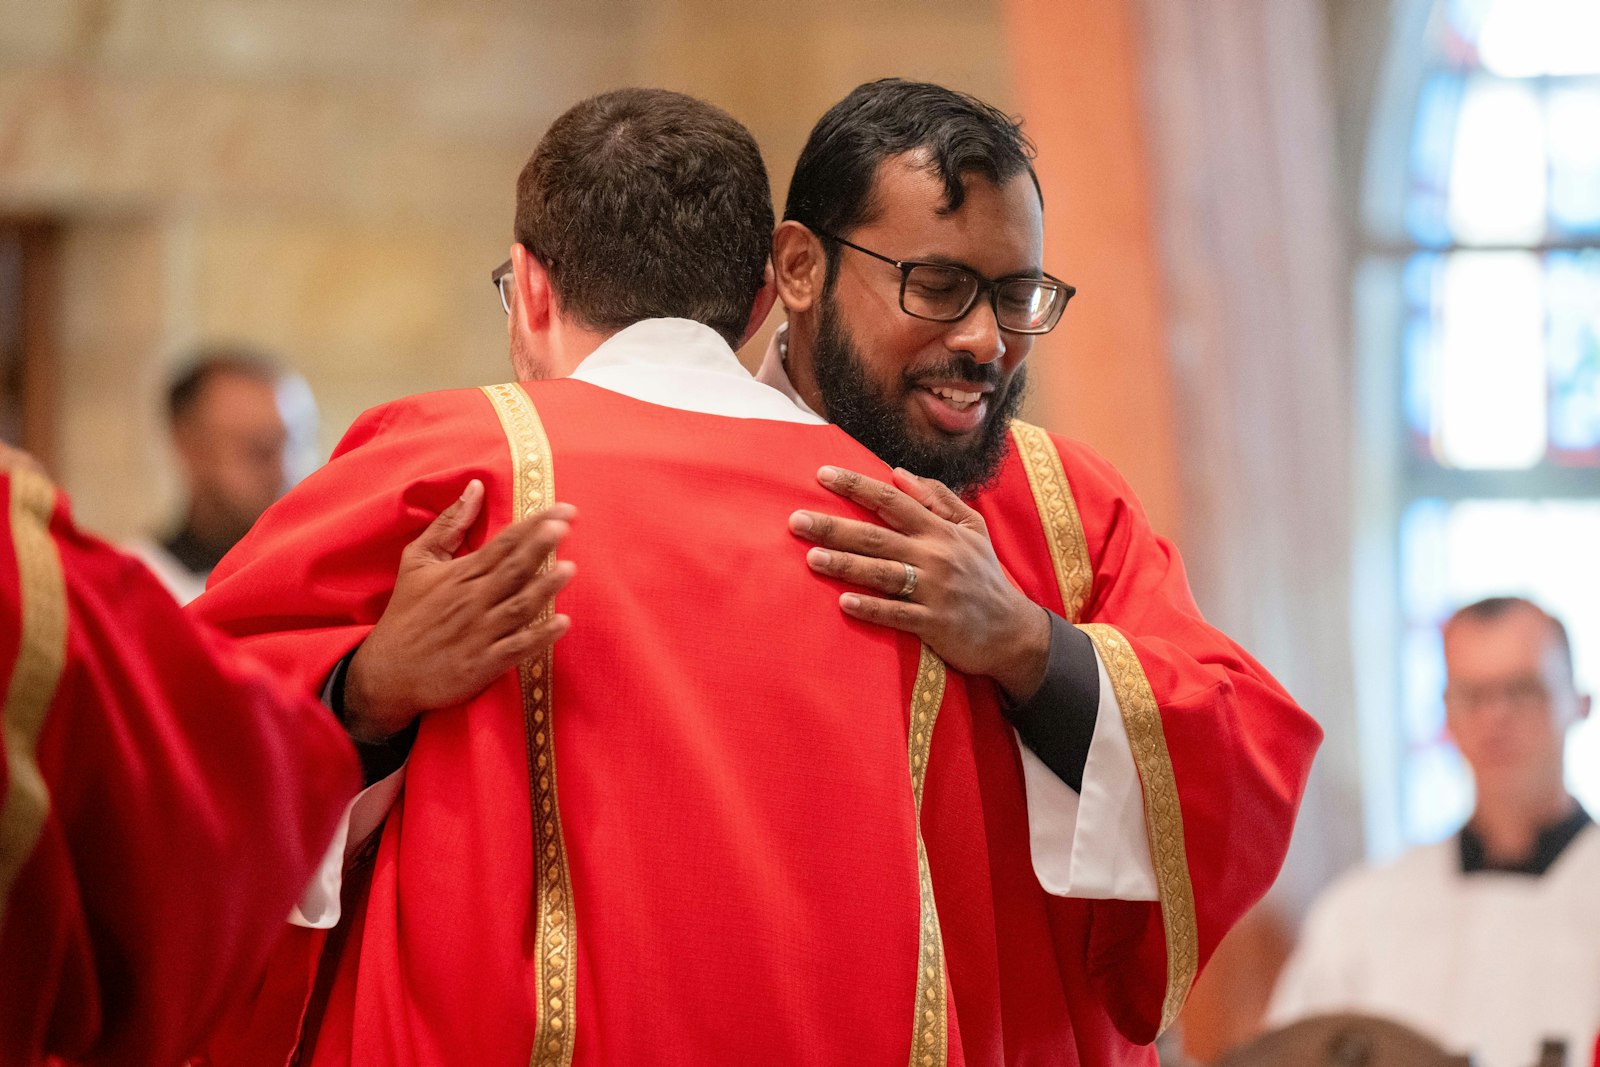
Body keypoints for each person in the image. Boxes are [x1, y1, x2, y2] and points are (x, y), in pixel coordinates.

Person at [314, 80, 1323, 1064]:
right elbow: (220, 779)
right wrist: (364, 692)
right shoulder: (547, 474)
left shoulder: (1057, 506)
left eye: (1017, 298)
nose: (983, 342)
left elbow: (1239, 759)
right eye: (936, 287)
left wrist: (1028, 646)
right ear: (795, 270)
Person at [193, 88, 1069, 1067]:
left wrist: (359, 695)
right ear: (755, 302)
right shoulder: (914, 525)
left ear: (528, 287)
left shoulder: (449, 469)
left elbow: (178, 772)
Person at [0, 442, 358, 1066]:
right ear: (190, 450)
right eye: (255, 449)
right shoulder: (39, 567)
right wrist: (361, 694)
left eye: (289, 441)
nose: (280, 467)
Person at [1267, 596, 1597, 1067]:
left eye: (1522, 690)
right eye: (1473, 695)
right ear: (1447, 713)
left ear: (1578, 704)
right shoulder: (1360, 913)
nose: (1496, 717)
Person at [128, 348, 316, 603]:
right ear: (191, 448)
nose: (287, 471)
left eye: (299, 444)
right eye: (260, 450)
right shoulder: (135, 588)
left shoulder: (326, 578)